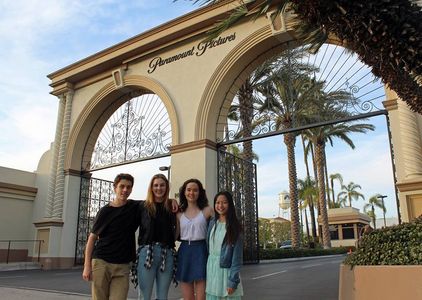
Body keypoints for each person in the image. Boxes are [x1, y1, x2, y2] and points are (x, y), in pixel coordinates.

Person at [82, 173, 141, 300]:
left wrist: (172, 200)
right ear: (115, 188)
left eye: (129, 187)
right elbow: (92, 238)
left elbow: (154, 201)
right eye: (122, 186)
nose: (125, 190)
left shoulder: (134, 207)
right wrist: (87, 266)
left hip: (123, 266)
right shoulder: (105, 211)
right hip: (102, 262)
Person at [136, 174, 178, 300]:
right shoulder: (142, 206)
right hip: (147, 253)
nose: (159, 188)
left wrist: (173, 200)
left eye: (162, 185)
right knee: (144, 295)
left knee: (162, 296)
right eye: (156, 185)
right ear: (151, 187)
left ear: (166, 187)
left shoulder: (171, 206)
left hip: (167, 254)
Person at [176, 178, 214, 300]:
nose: (191, 193)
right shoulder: (178, 212)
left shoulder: (208, 210)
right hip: (184, 251)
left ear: (200, 193)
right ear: (184, 192)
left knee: (201, 297)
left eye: (195, 190)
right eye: (189, 190)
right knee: (188, 298)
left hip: (201, 250)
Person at [206, 191, 243, 300]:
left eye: (224, 202)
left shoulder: (235, 227)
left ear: (230, 205)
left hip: (226, 272)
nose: (220, 206)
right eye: (217, 202)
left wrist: (233, 281)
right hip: (212, 270)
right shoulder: (212, 223)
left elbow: (237, 258)